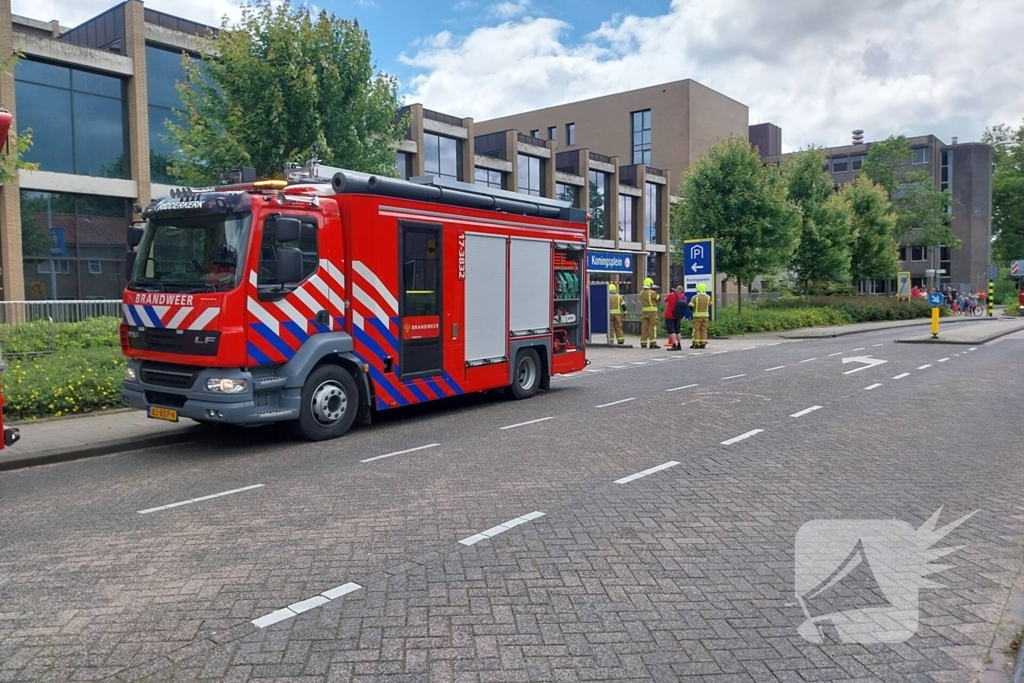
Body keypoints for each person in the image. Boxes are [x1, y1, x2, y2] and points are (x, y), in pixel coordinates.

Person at [663, 285, 687, 351]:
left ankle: (674, 345)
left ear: (676, 290)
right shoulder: (684, 297)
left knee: (671, 330)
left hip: (670, 316)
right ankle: (679, 345)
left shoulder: (671, 295)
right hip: (678, 316)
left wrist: (671, 293)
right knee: (677, 331)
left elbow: (665, 300)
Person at [688, 283, 712, 349]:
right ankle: (703, 343)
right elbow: (710, 304)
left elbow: (690, 306)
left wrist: (692, 311)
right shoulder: (708, 297)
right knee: (704, 330)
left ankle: (696, 343)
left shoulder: (695, 297)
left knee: (696, 330)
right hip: (705, 316)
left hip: (697, 316)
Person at [639, 277, 660, 349]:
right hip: (653, 312)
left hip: (645, 312)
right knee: (652, 327)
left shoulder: (641, 293)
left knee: (644, 327)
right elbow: (658, 298)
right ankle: (652, 343)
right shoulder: (652, 292)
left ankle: (643, 342)